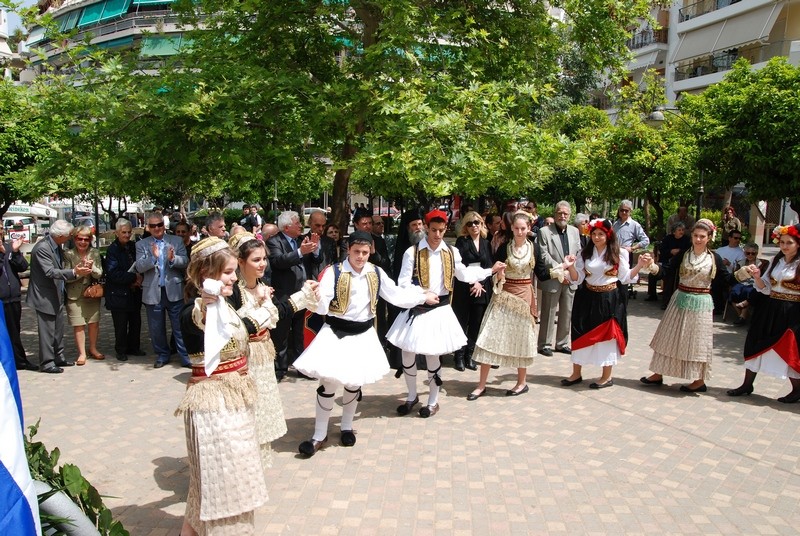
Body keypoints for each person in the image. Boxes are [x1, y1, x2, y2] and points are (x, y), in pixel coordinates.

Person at [294, 231, 436, 456]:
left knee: (353, 383)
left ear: (371, 251)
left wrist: (421, 297)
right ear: (348, 250)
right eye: (356, 252)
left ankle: (347, 426)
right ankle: (319, 434)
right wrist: (316, 296)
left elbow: (396, 296)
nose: (361, 257)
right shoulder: (335, 272)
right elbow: (322, 305)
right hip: (336, 334)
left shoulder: (376, 272)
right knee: (328, 384)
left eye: (365, 252)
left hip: (363, 335)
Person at [175, 238, 266, 536]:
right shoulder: (197, 309)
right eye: (227, 272)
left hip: (233, 402)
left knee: (213, 487)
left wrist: (289, 304)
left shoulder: (225, 306)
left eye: (233, 271)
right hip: (214, 407)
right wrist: (206, 299)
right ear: (206, 274)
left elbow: (244, 329)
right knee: (224, 485)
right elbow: (195, 317)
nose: (234, 277)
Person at [387, 210, 504, 418]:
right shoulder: (412, 252)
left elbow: (465, 274)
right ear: (426, 227)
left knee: (433, 355)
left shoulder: (450, 252)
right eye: (433, 230)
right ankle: (412, 396)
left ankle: (433, 401)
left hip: (439, 309)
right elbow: (403, 283)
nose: (437, 235)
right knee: (408, 353)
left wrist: (489, 271)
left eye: (441, 230)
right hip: (417, 307)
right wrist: (422, 295)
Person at [228, 232, 317, 466]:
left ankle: (255, 463)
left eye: (264, 259)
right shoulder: (233, 292)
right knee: (244, 411)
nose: (262, 264)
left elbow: (280, 312)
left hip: (263, 356)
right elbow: (240, 328)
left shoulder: (263, 285)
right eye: (256, 260)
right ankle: (240, 463)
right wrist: (267, 307)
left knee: (261, 407)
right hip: (242, 362)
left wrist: (305, 294)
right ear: (239, 261)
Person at [561, 219, 652, 389]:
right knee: (580, 332)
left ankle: (606, 376)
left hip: (609, 298)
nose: (596, 237)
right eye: (594, 234)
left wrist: (639, 265)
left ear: (608, 235)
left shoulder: (619, 253)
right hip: (587, 296)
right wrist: (571, 267)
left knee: (606, 337)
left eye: (600, 234)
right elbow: (577, 278)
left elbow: (625, 278)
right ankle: (576, 373)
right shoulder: (585, 253)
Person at [641, 219, 727, 392]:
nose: (698, 239)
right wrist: (651, 266)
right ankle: (658, 373)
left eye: (702, 236)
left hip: (701, 302)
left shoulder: (714, 258)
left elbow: (726, 279)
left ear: (709, 237)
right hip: (680, 298)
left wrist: (746, 273)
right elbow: (667, 270)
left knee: (698, 342)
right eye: (695, 235)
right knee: (668, 336)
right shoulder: (684, 255)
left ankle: (699, 380)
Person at [467, 212, 538, 398]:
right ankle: (481, 385)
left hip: (524, 299)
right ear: (511, 228)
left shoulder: (534, 248)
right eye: (517, 228)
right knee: (489, 337)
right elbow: (493, 268)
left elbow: (544, 271)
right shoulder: (504, 247)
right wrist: (496, 275)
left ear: (528, 228)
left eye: (523, 228)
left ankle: (522, 382)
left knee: (522, 339)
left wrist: (564, 268)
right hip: (504, 296)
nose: (520, 232)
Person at [726, 224, 800, 401]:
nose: (784, 246)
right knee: (755, 341)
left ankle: (797, 389)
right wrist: (758, 277)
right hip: (770, 307)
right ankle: (747, 384)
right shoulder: (776, 261)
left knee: (788, 348)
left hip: (792, 311)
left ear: (798, 244)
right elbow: (765, 289)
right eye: (782, 242)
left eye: (789, 242)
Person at [27, 220, 91, 373]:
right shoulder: (43, 248)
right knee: (47, 331)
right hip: (44, 296)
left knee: (58, 329)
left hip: (57, 294)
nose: (70, 237)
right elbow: (50, 272)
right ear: (60, 235)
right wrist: (74, 273)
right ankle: (47, 363)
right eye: (69, 235)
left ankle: (58, 357)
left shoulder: (57, 245)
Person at [267, 210, 322, 380]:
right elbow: (278, 261)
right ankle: (279, 369)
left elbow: (315, 262)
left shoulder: (301, 241)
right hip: (284, 296)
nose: (301, 226)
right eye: (297, 222)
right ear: (286, 226)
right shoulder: (273, 241)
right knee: (281, 334)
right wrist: (300, 252)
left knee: (300, 333)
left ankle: (301, 367)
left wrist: (314, 250)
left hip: (302, 294)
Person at [135, 211, 190, 368]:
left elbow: (185, 261)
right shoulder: (141, 244)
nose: (157, 228)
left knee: (179, 327)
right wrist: (153, 257)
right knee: (156, 328)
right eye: (153, 226)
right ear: (148, 227)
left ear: (164, 226)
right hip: (153, 292)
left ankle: (184, 356)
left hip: (174, 290)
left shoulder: (176, 241)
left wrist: (173, 259)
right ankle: (162, 355)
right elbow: (139, 266)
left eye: (159, 225)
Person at [537, 201, 581, 356]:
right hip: (553, 277)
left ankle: (562, 343)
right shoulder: (544, 232)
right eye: (559, 213)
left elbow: (578, 254)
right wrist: (561, 269)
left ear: (569, 216)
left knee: (567, 311)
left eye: (565, 214)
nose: (562, 216)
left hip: (570, 278)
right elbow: (544, 255)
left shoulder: (575, 232)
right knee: (549, 311)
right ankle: (544, 344)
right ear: (555, 213)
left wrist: (571, 271)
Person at [451, 211, 493, 372]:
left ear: (482, 224)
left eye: (477, 222)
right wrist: (472, 282)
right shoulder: (462, 242)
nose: (474, 226)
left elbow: (488, 265)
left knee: (476, 323)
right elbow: (460, 265)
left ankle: (470, 354)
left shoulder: (486, 243)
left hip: (481, 288)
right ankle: (459, 355)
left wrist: (480, 282)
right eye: (470, 223)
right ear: (465, 227)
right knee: (462, 322)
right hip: (465, 287)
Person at [104, 218, 144, 361]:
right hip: (119, 293)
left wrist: (139, 278)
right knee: (120, 324)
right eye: (123, 232)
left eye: (128, 232)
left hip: (134, 292)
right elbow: (112, 273)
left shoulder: (134, 246)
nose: (126, 235)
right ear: (116, 233)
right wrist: (133, 278)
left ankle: (134, 347)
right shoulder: (112, 250)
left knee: (135, 321)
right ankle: (120, 350)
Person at [64, 225, 105, 366]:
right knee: (79, 324)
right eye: (79, 239)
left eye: (86, 239)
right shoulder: (68, 254)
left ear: (90, 240)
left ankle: (93, 348)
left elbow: (99, 273)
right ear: (74, 239)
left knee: (93, 323)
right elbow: (65, 276)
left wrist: (91, 267)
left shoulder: (95, 252)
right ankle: (82, 353)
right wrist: (78, 272)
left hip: (91, 293)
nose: (82, 242)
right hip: (74, 294)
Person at [0, 228, 34, 370]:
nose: (0, 231)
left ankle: (20, 361)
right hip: (1, 299)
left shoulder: (9, 247)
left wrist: (14, 252)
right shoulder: (3, 251)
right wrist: (2, 255)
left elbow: (23, 267)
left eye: (1, 228)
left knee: (14, 331)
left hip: (13, 297)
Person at [645, 222, 691, 304]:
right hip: (666, 263)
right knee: (652, 275)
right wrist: (671, 251)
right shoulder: (667, 239)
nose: (681, 232)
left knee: (670, 278)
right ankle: (652, 295)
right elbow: (662, 251)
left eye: (682, 230)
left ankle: (666, 302)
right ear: (674, 232)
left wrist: (679, 251)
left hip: (679, 265)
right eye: (679, 230)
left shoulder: (686, 239)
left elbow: (688, 251)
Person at [728, 243, 769, 325]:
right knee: (733, 292)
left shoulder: (762, 263)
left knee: (748, 292)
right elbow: (734, 276)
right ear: (744, 253)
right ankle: (741, 316)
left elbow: (764, 277)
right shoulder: (740, 262)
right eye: (748, 253)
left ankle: (742, 317)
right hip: (741, 282)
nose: (750, 255)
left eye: (753, 253)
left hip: (754, 283)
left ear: (756, 253)